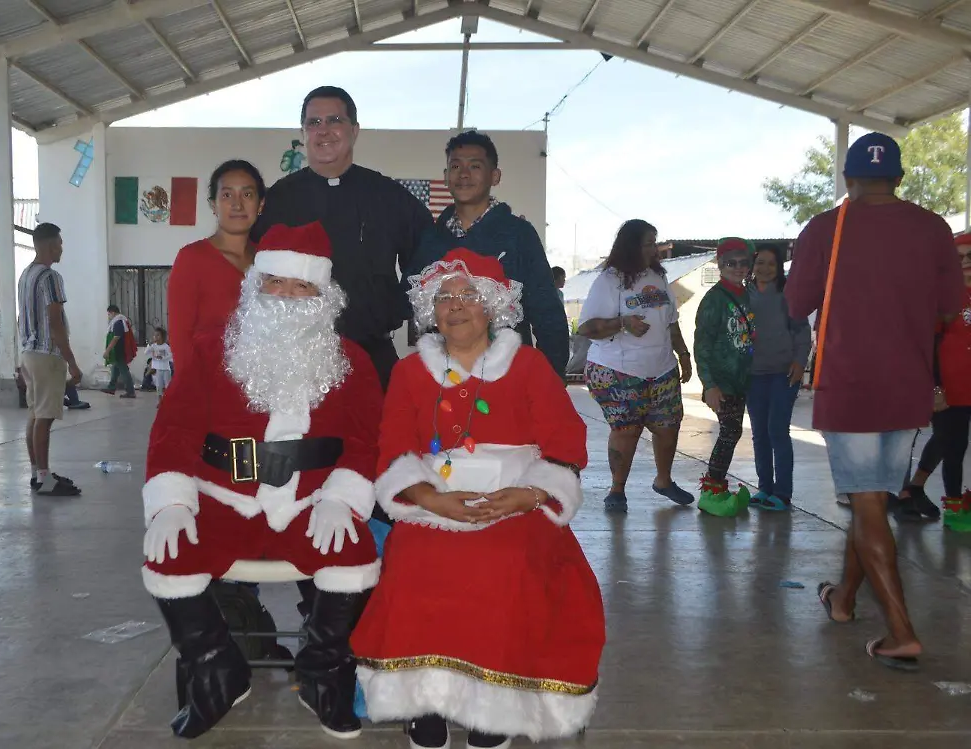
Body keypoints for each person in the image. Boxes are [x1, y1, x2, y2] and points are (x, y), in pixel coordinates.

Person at [351, 249, 603, 748]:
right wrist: (427, 498)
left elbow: (565, 440)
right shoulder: (407, 372)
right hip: (434, 498)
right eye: (444, 297)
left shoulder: (528, 365)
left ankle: (495, 705)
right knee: (414, 562)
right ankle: (425, 701)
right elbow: (393, 445)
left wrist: (529, 494)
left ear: (492, 306)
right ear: (430, 310)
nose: (456, 305)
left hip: (518, 498)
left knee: (508, 563)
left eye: (469, 295)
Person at [141, 222, 383, 740]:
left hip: (311, 504)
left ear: (324, 295)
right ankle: (216, 669)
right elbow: (174, 432)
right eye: (275, 282)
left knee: (355, 557)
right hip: (223, 501)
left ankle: (321, 672)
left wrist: (343, 498)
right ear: (255, 286)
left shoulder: (353, 361)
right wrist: (171, 503)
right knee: (168, 555)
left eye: (302, 286)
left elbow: (366, 443)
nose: (288, 296)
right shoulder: (210, 351)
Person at [787, 132, 962, 671]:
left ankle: (901, 632)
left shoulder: (825, 228)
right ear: (901, 178)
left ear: (848, 178)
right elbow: (952, 306)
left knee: (867, 504)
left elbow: (796, 304)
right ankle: (843, 598)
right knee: (875, 501)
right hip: (908, 385)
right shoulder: (933, 227)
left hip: (852, 385)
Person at [254, 85, 433, 390]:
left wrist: (395, 306)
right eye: (314, 123)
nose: (323, 131)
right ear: (303, 132)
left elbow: (428, 257)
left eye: (334, 120)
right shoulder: (277, 200)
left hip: (371, 352)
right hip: (292, 358)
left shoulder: (388, 196)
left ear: (355, 130)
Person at [408, 130, 569, 373]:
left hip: (506, 372)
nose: (463, 174)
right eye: (455, 166)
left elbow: (546, 311)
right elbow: (411, 301)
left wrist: (551, 378)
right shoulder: (431, 238)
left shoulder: (518, 234)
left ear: (495, 176)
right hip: (446, 373)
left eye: (474, 166)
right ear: (445, 176)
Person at [578, 220, 694, 513]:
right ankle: (617, 489)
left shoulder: (659, 277)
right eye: (647, 243)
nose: (654, 248)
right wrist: (622, 323)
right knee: (627, 429)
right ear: (631, 245)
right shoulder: (609, 280)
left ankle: (664, 480)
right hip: (617, 368)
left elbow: (671, 321)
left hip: (662, 367)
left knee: (668, 426)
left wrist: (683, 354)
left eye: (654, 242)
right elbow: (588, 328)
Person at [897, 232, 971, 521]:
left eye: (970, 256)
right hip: (950, 385)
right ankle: (953, 506)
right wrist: (936, 385)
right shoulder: (944, 295)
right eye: (959, 257)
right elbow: (931, 342)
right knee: (954, 445)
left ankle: (914, 487)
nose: (964, 262)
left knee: (945, 440)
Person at [167, 160, 265, 368]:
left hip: (261, 388)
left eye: (247, 195)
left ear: (260, 205)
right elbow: (180, 340)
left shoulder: (269, 261)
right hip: (206, 387)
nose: (237, 205)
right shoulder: (192, 259)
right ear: (214, 205)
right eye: (227, 195)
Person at [18, 223, 83, 497]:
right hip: (47, 354)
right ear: (47, 245)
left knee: (35, 414)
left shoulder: (25, 275)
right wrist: (72, 362)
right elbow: (55, 322)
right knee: (45, 417)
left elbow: (23, 317)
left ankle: (37, 473)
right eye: (59, 243)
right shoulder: (50, 277)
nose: (61, 248)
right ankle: (44, 480)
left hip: (29, 353)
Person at [694, 238, 757, 516]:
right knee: (730, 432)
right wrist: (709, 385)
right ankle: (712, 490)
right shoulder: (714, 300)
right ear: (720, 265)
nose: (738, 268)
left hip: (744, 378)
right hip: (722, 381)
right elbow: (702, 345)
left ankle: (716, 487)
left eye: (744, 263)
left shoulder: (750, 294)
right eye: (731, 263)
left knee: (731, 433)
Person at [746, 244, 811, 512]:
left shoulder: (788, 294)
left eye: (771, 264)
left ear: (780, 267)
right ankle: (765, 488)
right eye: (760, 263)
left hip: (783, 372)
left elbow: (802, 331)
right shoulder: (743, 294)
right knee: (759, 433)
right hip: (752, 375)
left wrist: (799, 362)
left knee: (777, 431)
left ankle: (783, 493)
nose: (764, 269)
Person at [103, 304, 137, 398]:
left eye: (109, 314)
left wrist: (107, 350)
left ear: (113, 313)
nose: (109, 316)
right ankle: (111, 387)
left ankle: (130, 391)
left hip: (119, 350)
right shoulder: (120, 321)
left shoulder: (118, 322)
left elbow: (116, 337)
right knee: (115, 368)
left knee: (124, 370)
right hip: (118, 350)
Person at [147, 327, 173, 399]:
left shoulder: (166, 346)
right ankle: (160, 401)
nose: (156, 337)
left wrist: (163, 358)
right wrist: (149, 345)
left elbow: (171, 355)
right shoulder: (153, 346)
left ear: (162, 337)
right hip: (158, 370)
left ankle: (168, 399)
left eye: (158, 335)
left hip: (166, 369)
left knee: (168, 385)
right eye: (155, 335)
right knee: (158, 386)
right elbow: (146, 352)